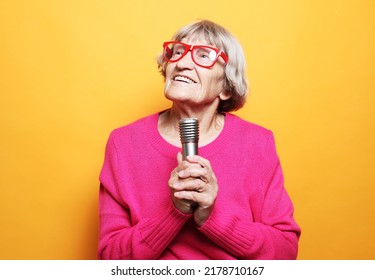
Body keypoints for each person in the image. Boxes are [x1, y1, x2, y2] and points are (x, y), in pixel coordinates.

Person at [98, 19, 301, 260]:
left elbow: (285, 251)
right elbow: (110, 258)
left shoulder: (258, 143)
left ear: (226, 86)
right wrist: (175, 212)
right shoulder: (124, 143)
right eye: (178, 52)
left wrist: (211, 217)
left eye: (204, 56)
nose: (182, 63)